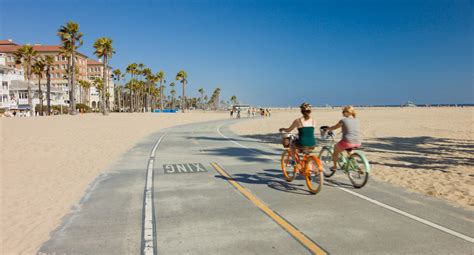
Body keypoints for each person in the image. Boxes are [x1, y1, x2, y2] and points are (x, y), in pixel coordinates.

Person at [324, 106, 361, 172]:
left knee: (335, 150)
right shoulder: (357, 120)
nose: (342, 113)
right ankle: (357, 166)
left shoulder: (343, 120)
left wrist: (327, 129)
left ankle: (334, 167)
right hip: (357, 141)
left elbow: (335, 127)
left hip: (347, 141)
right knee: (349, 151)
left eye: (343, 111)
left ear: (347, 112)